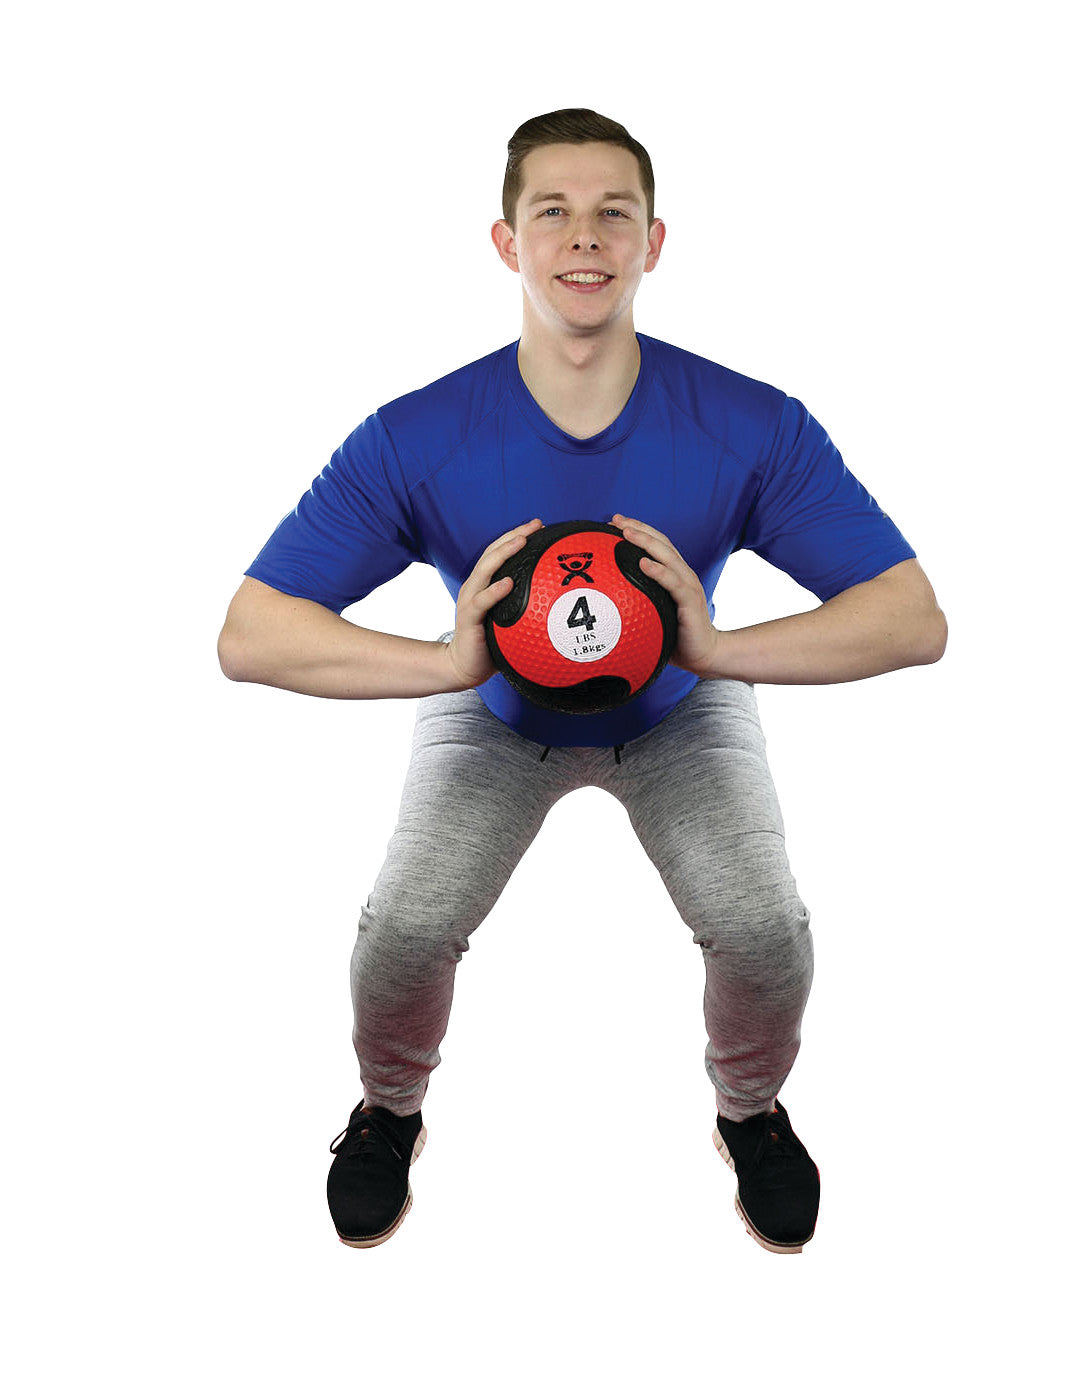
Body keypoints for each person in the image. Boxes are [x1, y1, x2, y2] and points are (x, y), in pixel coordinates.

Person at [218, 109, 946, 1255]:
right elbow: (251, 634)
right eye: (550, 210)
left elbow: (913, 618)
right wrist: (447, 664)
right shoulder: (422, 435)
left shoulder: (749, 426)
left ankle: (750, 1115)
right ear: (507, 244)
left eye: (615, 212)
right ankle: (388, 1112)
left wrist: (714, 648)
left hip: (684, 702)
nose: (584, 237)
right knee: (405, 927)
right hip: (491, 705)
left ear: (655, 242)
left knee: (763, 927)